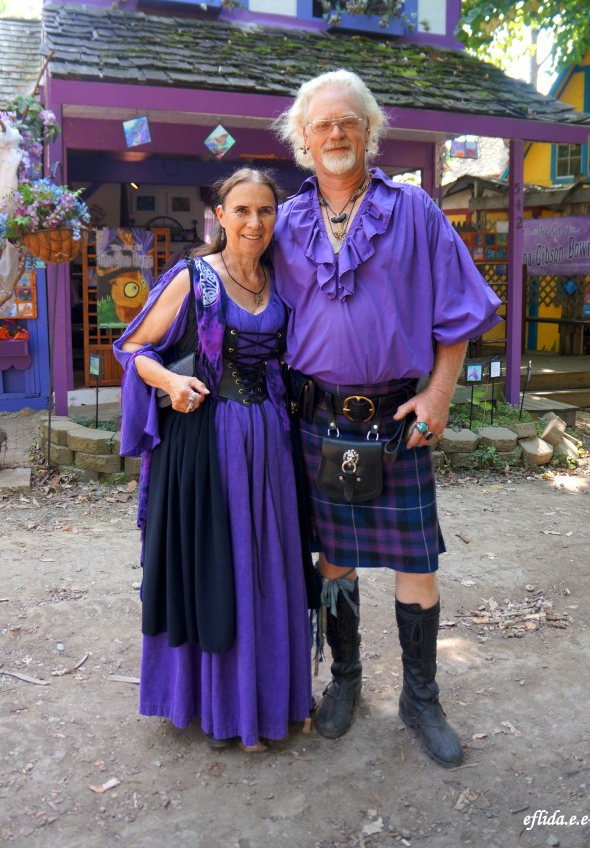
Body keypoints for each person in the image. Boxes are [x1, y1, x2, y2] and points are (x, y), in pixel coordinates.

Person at [273, 70, 502, 768]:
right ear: (303, 139)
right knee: (334, 556)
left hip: (398, 417)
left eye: (348, 121)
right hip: (319, 416)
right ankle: (345, 682)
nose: (336, 133)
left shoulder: (415, 211)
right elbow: (237, 289)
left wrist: (438, 395)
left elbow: (459, 308)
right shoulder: (284, 223)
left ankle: (421, 697)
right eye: (322, 124)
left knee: (414, 559)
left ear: (369, 131)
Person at [114, 168, 313, 751]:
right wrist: (171, 385)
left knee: (269, 568)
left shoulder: (280, 282)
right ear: (220, 217)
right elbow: (131, 347)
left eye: (266, 212)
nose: (255, 222)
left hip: (271, 443)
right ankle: (217, 705)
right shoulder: (195, 278)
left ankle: (270, 700)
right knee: (218, 565)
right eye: (243, 211)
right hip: (206, 443)